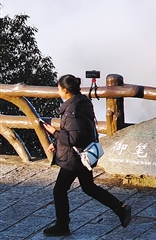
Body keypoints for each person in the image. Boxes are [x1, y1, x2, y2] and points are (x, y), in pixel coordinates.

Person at [40, 74, 132, 237]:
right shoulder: (82, 102)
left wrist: (54, 133)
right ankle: (120, 209)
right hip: (82, 154)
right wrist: (57, 142)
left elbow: (73, 138)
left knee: (59, 190)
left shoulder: (72, 111)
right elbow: (77, 132)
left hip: (73, 158)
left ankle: (62, 225)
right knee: (88, 187)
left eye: (59, 88)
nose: (58, 91)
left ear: (66, 90)